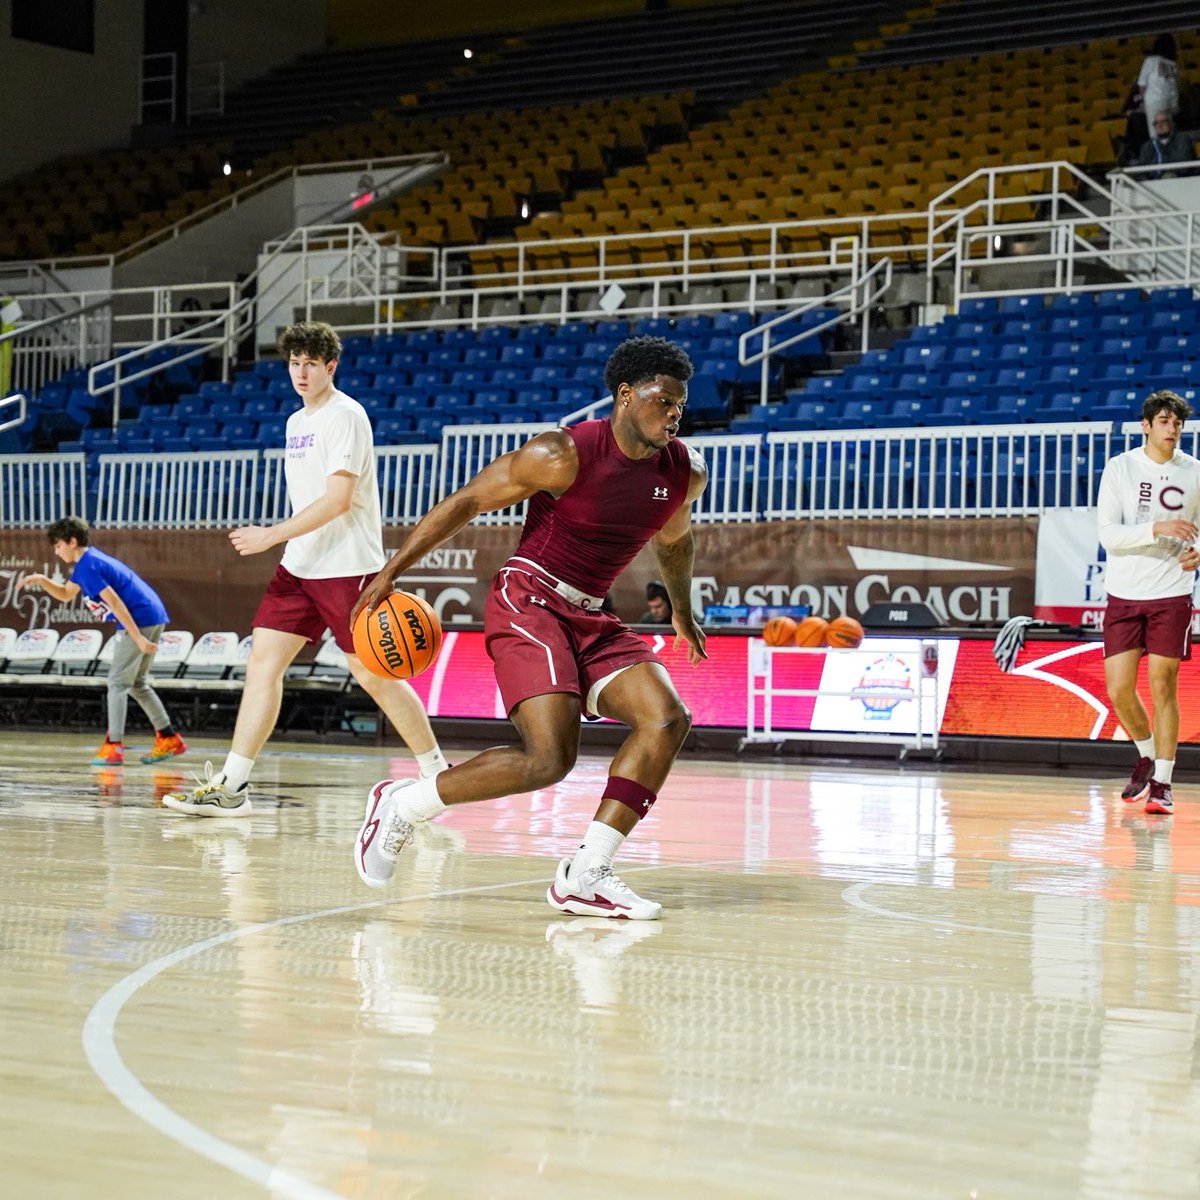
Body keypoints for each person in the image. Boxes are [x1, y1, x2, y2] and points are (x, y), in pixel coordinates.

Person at [351, 335, 708, 918]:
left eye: (680, 405)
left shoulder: (682, 471)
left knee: (666, 719)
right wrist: (391, 570)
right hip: (529, 598)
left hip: (591, 611)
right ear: (624, 395)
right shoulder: (560, 453)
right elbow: (467, 501)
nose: (674, 413)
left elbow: (676, 541)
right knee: (548, 758)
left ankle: (586, 873)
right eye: (663, 400)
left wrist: (684, 612)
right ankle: (404, 804)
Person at [162, 321, 446, 817]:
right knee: (262, 668)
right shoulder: (297, 422)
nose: (300, 371)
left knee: (374, 675)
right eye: (294, 362)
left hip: (347, 567)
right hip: (300, 567)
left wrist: (270, 535)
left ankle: (437, 777)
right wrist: (286, 545)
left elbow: (338, 501)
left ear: (329, 366)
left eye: (310, 363)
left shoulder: (346, 416)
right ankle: (233, 787)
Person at [1098, 389, 1200, 816]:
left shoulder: (1194, 471)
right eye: (1163, 421)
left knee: (1163, 684)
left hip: (1171, 592)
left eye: (1177, 423)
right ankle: (1145, 754)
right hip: (1124, 592)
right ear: (1146, 425)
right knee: (1119, 691)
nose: (1171, 429)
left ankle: (1163, 781)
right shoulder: (1120, 468)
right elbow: (1109, 534)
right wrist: (1155, 526)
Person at [17, 516, 187, 766]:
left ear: (72, 541)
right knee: (137, 683)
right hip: (152, 613)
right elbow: (65, 594)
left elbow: (115, 603)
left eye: (57, 545)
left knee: (117, 682)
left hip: (139, 618)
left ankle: (113, 745)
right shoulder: (88, 562)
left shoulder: (89, 565)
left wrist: (138, 638)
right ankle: (168, 737)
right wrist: (42, 580)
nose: (56, 551)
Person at [1123, 34, 1180, 160]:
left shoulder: (1151, 60)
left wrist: (1144, 99)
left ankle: (1159, 161)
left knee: (1156, 133)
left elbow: (1141, 84)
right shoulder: (1172, 64)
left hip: (1155, 100)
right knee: (1169, 131)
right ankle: (1173, 158)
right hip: (1171, 101)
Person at [1133, 111, 1196, 177]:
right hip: (1153, 180)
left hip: (1179, 179)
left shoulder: (1183, 139)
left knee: (1168, 176)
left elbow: (1182, 164)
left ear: (1171, 123)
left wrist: (1156, 165)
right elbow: (1142, 166)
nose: (1159, 125)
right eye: (1156, 123)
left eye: (1163, 121)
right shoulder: (1148, 145)